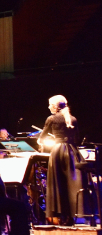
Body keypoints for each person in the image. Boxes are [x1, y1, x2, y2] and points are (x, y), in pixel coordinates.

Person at [39, 95, 84, 225]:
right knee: (71, 185)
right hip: (71, 151)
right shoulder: (73, 119)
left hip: (58, 151)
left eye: (49, 104)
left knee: (58, 184)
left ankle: (61, 216)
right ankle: (72, 216)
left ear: (55, 106)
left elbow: (42, 138)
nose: (48, 107)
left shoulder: (51, 119)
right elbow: (77, 139)